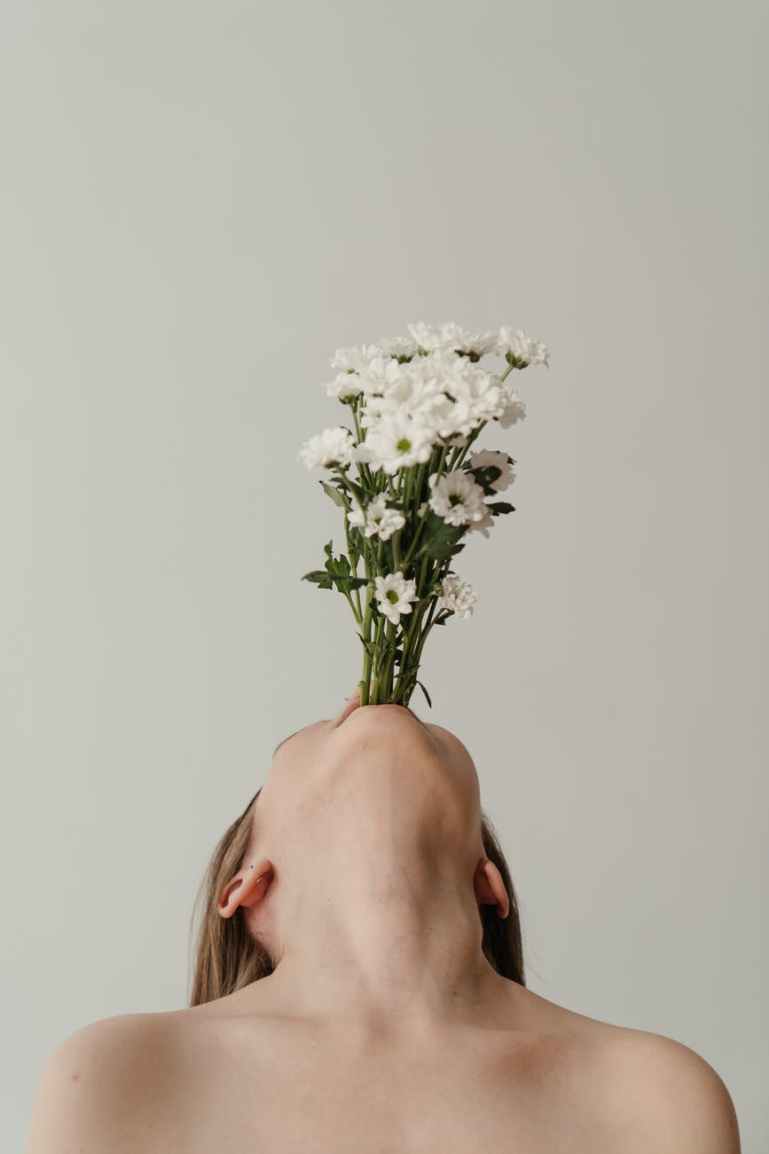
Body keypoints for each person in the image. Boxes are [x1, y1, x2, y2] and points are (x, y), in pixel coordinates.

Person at [24, 693, 741, 1153]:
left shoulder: (651, 1090)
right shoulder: (126, 1073)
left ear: (483, 881)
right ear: (248, 888)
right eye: (316, 731)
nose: (359, 706)